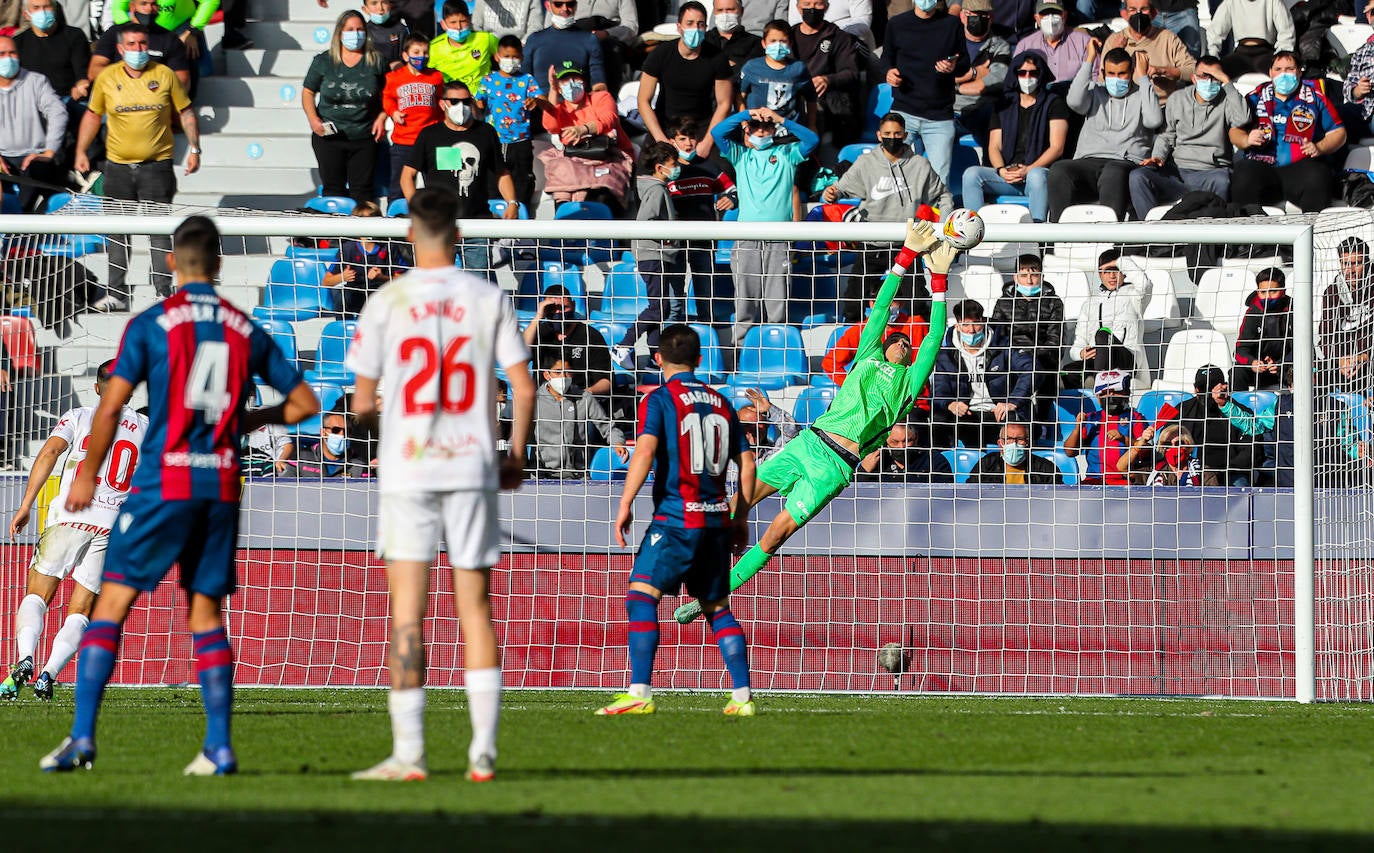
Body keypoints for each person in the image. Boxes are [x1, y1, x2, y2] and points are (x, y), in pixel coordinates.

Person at [39, 215, 320, 774]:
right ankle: (218, 747)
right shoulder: (244, 327)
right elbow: (306, 404)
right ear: (217, 264)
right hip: (218, 484)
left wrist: (88, 474)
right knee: (206, 613)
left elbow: (112, 404)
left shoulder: (151, 323)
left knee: (112, 603)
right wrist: (248, 419)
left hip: (162, 480)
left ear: (172, 261)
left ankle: (82, 738)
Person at [673, 220, 960, 626]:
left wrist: (940, 280)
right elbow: (879, 310)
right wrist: (905, 257)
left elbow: (933, 338)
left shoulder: (909, 385)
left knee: (776, 534)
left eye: (905, 343)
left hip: (836, 466)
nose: (901, 342)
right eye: (896, 339)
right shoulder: (867, 357)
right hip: (809, 443)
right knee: (736, 504)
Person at [343, 187, 533, 783]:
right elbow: (523, 388)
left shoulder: (385, 301)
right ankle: (483, 753)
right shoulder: (487, 297)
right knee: (475, 607)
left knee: (408, 612)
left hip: (408, 466)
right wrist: (516, 453)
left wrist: (386, 412)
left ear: (409, 235)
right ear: (458, 234)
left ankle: (410, 754)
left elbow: (358, 405)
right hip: (473, 460)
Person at [597, 325, 757, 716]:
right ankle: (742, 697)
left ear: (657, 359)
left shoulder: (661, 399)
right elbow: (748, 462)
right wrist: (741, 516)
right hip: (718, 518)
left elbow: (646, 451)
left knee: (640, 597)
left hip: (676, 518)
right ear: (700, 359)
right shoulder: (721, 402)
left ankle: (640, 693)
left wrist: (625, 504)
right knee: (717, 606)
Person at [1, 362, 146, 702]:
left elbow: (51, 450)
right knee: (81, 610)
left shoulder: (79, 416)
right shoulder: (146, 428)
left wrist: (26, 504)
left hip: (70, 515)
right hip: (110, 526)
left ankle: (25, 659)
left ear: (98, 388)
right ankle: (49, 674)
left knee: (37, 594)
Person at [76, 24, 199, 309]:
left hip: (156, 166)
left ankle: (163, 291)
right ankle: (117, 293)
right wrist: (81, 150)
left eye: (142, 44)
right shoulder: (107, 78)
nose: (138, 50)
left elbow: (186, 111)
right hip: (117, 167)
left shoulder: (164, 74)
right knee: (117, 232)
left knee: (158, 230)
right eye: (132, 45)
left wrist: (194, 148)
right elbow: (93, 116)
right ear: (120, 49)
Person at [823, 114, 951, 320]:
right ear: (879, 135)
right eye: (888, 134)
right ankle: (854, 347)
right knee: (853, 303)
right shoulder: (866, 163)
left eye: (897, 134)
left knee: (918, 301)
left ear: (906, 135)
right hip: (871, 244)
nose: (892, 138)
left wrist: (943, 226)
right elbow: (838, 190)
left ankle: (922, 345)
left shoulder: (920, 165)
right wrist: (831, 193)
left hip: (906, 245)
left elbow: (943, 195)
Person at [712, 106, 819, 346]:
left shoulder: (787, 153)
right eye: (756, 127)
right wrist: (747, 114)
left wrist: (781, 119)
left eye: (767, 127)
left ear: (774, 129)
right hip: (747, 237)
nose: (761, 131)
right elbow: (718, 133)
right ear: (747, 130)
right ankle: (741, 348)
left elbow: (813, 139)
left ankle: (777, 346)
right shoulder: (740, 155)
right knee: (745, 298)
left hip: (779, 238)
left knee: (777, 298)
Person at [402, 80, 520, 271]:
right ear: (442, 104)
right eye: (455, 102)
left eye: (466, 101)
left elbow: (501, 172)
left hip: (477, 223)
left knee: (478, 283)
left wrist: (512, 203)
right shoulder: (429, 135)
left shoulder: (486, 132)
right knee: (436, 283)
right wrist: (418, 207)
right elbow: (407, 175)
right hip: (439, 224)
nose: (462, 107)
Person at [1048, 45, 1162, 221]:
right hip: (1089, 160)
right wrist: (1089, 59)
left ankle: (1111, 243)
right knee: (1059, 170)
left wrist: (1144, 78)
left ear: (1131, 71)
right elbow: (1074, 101)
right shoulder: (1095, 92)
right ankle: (1056, 240)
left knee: (1113, 172)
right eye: (1111, 73)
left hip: (1125, 161)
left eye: (1122, 73)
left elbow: (1153, 120)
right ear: (1103, 72)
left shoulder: (1142, 94)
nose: (1116, 79)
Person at [1127, 55, 1249, 220]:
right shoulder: (1177, 99)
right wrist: (1157, 156)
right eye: (1204, 76)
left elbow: (1243, 118)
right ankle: (1153, 235)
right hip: (1178, 173)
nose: (1209, 82)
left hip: (1211, 172)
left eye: (1215, 77)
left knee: (1223, 180)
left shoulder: (1227, 100)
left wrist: (1227, 82)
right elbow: (1167, 135)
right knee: (1138, 177)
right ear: (1194, 78)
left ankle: (1212, 239)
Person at [1229, 51, 1346, 213]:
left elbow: (1339, 132)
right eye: (1278, 69)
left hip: (1301, 169)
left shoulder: (1315, 97)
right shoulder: (1254, 97)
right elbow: (1234, 131)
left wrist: (1319, 147)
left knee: (1319, 175)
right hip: (1263, 167)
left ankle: (1312, 234)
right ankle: (1246, 234)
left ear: (1299, 71)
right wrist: (1247, 139)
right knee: (1243, 173)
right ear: (1270, 72)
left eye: (1289, 69)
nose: (1283, 74)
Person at [960, 50, 1068, 222]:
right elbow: (994, 146)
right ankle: (975, 234)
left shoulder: (1054, 103)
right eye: (1022, 72)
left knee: (1037, 176)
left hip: (1037, 174)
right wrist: (1001, 170)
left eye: (1033, 72)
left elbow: (1057, 147)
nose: (1027, 77)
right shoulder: (1003, 104)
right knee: (971, 175)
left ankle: (1037, 239)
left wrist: (1029, 169)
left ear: (1041, 75)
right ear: (1015, 74)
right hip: (1008, 175)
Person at [610, 142, 686, 369]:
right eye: (673, 164)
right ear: (659, 166)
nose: (677, 168)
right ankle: (623, 345)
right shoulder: (656, 189)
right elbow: (646, 221)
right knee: (659, 307)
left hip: (655, 254)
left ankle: (654, 357)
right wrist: (667, 239)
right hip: (653, 254)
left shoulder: (653, 187)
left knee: (659, 306)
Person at [302, 11, 389, 205]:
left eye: (359, 29)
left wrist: (382, 118)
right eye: (350, 29)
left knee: (363, 192)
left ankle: (363, 236)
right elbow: (308, 92)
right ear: (340, 33)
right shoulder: (323, 61)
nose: (355, 34)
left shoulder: (377, 61)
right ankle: (334, 236)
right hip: (329, 137)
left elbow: (389, 94)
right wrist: (313, 119)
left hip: (364, 137)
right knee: (333, 190)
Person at [882, 0, 969, 188]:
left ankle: (937, 217)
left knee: (939, 181)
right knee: (890, 174)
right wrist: (889, 72)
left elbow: (964, 63)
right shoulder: (896, 24)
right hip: (904, 111)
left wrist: (953, 66)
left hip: (939, 117)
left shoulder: (951, 24)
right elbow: (886, 58)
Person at [931, 298, 1035, 450]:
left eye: (976, 323)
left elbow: (1032, 369)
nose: (971, 330)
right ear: (958, 326)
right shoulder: (946, 354)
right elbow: (939, 390)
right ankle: (941, 466)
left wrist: (1013, 401)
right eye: (966, 324)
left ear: (984, 321)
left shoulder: (1004, 345)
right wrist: (951, 404)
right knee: (938, 419)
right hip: (967, 414)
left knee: (1016, 423)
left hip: (998, 412)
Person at [664, 115, 736, 328]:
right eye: (683, 138)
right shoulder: (666, 170)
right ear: (672, 141)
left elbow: (733, 190)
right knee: (674, 300)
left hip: (704, 241)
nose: (688, 143)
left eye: (692, 137)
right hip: (673, 243)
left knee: (705, 298)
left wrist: (730, 199)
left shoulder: (710, 167)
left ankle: (707, 341)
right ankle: (672, 338)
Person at [535, 61, 635, 211]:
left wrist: (583, 129)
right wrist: (553, 91)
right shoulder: (560, 108)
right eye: (565, 80)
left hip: (608, 157)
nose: (571, 84)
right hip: (574, 159)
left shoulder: (601, 97)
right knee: (563, 186)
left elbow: (609, 119)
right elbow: (551, 126)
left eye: (576, 78)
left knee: (601, 193)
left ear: (584, 81)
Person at [638, 3, 733, 159]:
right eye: (689, 23)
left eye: (700, 24)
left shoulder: (717, 58)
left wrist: (708, 142)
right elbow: (643, 100)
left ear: (706, 28)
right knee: (646, 171)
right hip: (666, 125)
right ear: (679, 27)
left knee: (722, 169)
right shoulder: (661, 54)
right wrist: (661, 139)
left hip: (702, 127)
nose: (695, 28)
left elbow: (724, 104)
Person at [990, 253, 1064, 437]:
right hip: (1012, 359)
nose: (1029, 280)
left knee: (1037, 375)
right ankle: (1012, 433)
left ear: (1041, 276)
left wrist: (1031, 354)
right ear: (1015, 277)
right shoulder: (1004, 302)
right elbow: (996, 335)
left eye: (1034, 275)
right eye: (1024, 275)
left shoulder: (1054, 302)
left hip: (1043, 359)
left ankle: (1040, 431)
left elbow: (1055, 340)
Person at [0, 36, 67, 215]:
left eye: (12, 53)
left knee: (36, 176)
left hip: (33, 157)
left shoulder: (36, 81)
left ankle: (24, 228)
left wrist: (48, 151)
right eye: (2, 54)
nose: (8, 58)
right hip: (2, 158)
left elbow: (57, 112)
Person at [475, 35, 543, 208]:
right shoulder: (488, 80)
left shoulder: (527, 79)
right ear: (497, 57)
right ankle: (495, 219)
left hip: (520, 141)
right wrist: (478, 103)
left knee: (522, 181)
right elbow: (478, 103)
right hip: (494, 141)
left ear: (521, 57)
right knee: (492, 181)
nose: (510, 61)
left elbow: (542, 99)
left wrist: (537, 101)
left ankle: (520, 219)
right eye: (506, 56)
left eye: (515, 57)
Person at [1063, 248, 1149, 387]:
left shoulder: (1134, 296)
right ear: (1099, 274)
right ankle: (1094, 380)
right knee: (1067, 372)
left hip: (1125, 359)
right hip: (1097, 360)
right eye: (1107, 271)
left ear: (1123, 272)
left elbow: (1145, 284)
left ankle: (1097, 381)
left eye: (1116, 270)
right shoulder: (1089, 304)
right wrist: (1081, 353)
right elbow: (1078, 343)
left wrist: (1120, 261)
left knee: (1103, 334)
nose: (1112, 276)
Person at [1175, 364, 1271, 485]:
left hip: (1231, 472)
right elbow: (1167, 439)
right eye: (1204, 388)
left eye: (1213, 386)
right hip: (1193, 470)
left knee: (1240, 487)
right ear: (1196, 389)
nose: (1210, 392)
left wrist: (1226, 468)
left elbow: (1253, 448)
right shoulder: (1183, 410)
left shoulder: (1237, 412)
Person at [821, 278, 928, 385]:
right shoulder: (860, 330)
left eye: (892, 301)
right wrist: (855, 386)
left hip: (911, 395)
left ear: (902, 302)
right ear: (871, 304)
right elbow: (830, 363)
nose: (887, 306)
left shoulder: (916, 325)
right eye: (880, 302)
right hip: (874, 397)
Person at [534, 356, 627, 475]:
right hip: (544, 475)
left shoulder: (585, 398)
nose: (563, 377)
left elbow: (607, 426)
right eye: (557, 372)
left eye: (567, 372)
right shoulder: (534, 401)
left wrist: (617, 442)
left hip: (580, 474)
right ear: (547, 375)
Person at [382, 34, 444, 201]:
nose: (421, 56)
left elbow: (441, 102)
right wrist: (393, 111)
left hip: (432, 140)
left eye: (425, 52)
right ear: (405, 55)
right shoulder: (393, 77)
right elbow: (387, 98)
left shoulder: (437, 77)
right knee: (397, 188)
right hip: (404, 141)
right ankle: (396, 218)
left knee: (438, 185)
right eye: (416, 52)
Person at [523, 284, 613, 395]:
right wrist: (538, 317)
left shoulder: (590, 335)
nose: (558, 313)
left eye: (563, 308)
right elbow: (519, 354)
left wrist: (584, 394)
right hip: (543, 401)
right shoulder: (539, 333)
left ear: (573, 305)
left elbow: (607, 381)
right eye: (552, 309)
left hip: (580, 400)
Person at [324, 203, 413, 317]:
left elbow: (404, 280)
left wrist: (382, 278)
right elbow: (326, 281)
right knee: (339, 293)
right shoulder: (348, 249)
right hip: (356, 296)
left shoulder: (389, 247)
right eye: (364, 221)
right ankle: (345, 327)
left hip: (382, 295)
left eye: (371, 220)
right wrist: (342, 276)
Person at [1101, 0, 1196, 104]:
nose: (1138, 14)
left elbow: (1193, 69)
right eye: (1132, 9)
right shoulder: (1114, 40)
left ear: (1154, 13)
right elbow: (1102, 80)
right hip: (1126, 108)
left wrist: (1163, 71)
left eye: (1144, 9)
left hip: (1162, 106)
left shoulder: (1167, 38)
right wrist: (1116, 52)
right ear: (1124, 14)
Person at [88, 0, 190, 93]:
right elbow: (94, 71)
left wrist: (150, 86)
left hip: (155, 101)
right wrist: (127, 81)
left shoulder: (169, 38)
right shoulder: (114, 33)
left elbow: (182, 80)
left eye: (153, 4)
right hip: (117, 100)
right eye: (144, 3)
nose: (149, 9)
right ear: (132, 7)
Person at [1063, 368, 1140, 485]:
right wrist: (1078, 427)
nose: (1111, 396)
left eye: (1116, 391)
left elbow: (1147, 451)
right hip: (1094, 482)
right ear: (1098, 397)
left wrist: (1124, 439)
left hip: (1125, 482)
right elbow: (1069, 452)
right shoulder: (1090, 418)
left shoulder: (1135, 417)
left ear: (1127, 393)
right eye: (1105, 392)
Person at [951, 0, 1011, 146]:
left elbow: (995, 80)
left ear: (991, 18)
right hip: (950, 111)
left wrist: (954, 83)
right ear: (963, 16)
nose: (979, 19)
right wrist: (974, 73)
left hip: (981, 111)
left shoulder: (1000, 46)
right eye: (973, 14)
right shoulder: (949, 43)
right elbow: (934, 77)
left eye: (984, 15)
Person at [1319, 237, 1374, 390]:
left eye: (1356, 263)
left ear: (1367, 263)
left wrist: (1364, 356)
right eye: (1345, 264)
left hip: (1368, 358)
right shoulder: (1332, 293)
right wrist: (1340, 359)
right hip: (1342, 361)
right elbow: (1326, 333)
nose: (1350, 271)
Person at [15, 0, 93, 108]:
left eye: (46, 7)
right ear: (26, 15)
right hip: (32, 102)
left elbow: (81, 71)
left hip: (68, 99)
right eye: (36, 8)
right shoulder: (18, 42)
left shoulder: (74, 36)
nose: (42, 12)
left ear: (55, 10)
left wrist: (81, 85)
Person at [738, 20, 816, 128]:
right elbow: (739, 97)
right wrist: (744, 124)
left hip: (790, 131)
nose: (778, 46)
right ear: (764, 43)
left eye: (783, 41)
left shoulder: (798, 68)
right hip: (758, 130)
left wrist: (812, 125)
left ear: (790, 43)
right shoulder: (751, 67)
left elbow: (811, 98)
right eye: (773, 41)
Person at [522, 0, 606, 90]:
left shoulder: (590, 39)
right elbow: (523, 78)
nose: (565, 9)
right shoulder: (534, 39)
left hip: (579, 102)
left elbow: (598, 82)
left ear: (576, 6)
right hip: (541, 101)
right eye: (558, 4)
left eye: (570, 4)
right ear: (548, 5)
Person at [1233, 267, 1292, 392]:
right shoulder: (1253, 313)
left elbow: (1303, 347)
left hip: (1285, 368)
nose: (1268, 297)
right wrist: (1253, 363)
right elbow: (1240, 349)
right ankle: (1239, 409)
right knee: (1236, 372)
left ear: (1283, 291)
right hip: (1259, 370)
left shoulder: (1293, 309)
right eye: (1263, 292)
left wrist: (1282, 363)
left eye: (1273, 291)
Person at [1011, 1, 1090, 87]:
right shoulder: (1024, 46)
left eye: (1056, 13)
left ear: (1065, 16)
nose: (1050, 17)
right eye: (1045, 13)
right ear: (1037, 19)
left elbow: (1095, 77)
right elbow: (1014, 80)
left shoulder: (1084, 42)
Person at [1207, 0, 1295, 77]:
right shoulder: (1230, 2)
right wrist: (1213, 57)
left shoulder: (1274, 2)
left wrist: (1281, 57)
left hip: (1266, 53)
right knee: (1215, 74)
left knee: (1284, 74)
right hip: (1241, 54)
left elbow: (1286, 32)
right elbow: (1215, 32)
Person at [1119, 423, 1219, 485]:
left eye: (1179, 443)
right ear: (1162, 448)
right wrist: (1141, 442)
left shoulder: (1204, 472)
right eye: (1167, 444)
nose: (1173, 448)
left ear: (1188, 445)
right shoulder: (1155, 471)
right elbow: (1122, 468)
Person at [429, 0, 498, 91]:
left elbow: (506, 56)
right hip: (452, 100)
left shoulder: (486, 39)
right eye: (453, 22)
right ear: (443, 24)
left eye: (463, 21)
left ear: (470, 19)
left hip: (483, 97)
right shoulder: (433, 48)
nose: (458, 27)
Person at [969, 420, 1062, 484]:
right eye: (1008, 439)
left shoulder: (1046, 469)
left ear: (1027, 443)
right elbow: (970, 493)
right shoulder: (986, 465)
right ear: (1000, 443)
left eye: (1020, 439)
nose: (1014, 443)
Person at [287, 412, 372, 477]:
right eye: (336, 430)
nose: (342, 435)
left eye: (347, 431)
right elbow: (286, 489)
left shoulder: (359, 465)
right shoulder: (300, 458)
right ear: (323, 432)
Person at [737, 386, 800, 461]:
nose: (753, 428)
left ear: (767, 426)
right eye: (746, 424)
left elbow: (793, 433)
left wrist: (770, 410)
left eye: (759, 424)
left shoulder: (773, 454)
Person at [704, 0, 764, 72]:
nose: (725, 15)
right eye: (720, 10)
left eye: (730, 9)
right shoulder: (703, 40)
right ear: (714, 12)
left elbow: (752, 72)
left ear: (741, 11)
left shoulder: (756, 43)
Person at [1342, 35, 1374, 139]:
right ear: (1369, 18)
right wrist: (1358, 91)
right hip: (1364, 111)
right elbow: (1348, 86)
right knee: (1332, 116)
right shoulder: (1363, 51)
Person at [365, 0, 409, 68]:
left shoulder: (400, 29)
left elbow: (408, 55)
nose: (380, 8)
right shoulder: (364, 31)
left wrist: (401, 63)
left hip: (395, 74)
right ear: (365, 9)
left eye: (384, 2)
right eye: (374, 3)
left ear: (390, 5)